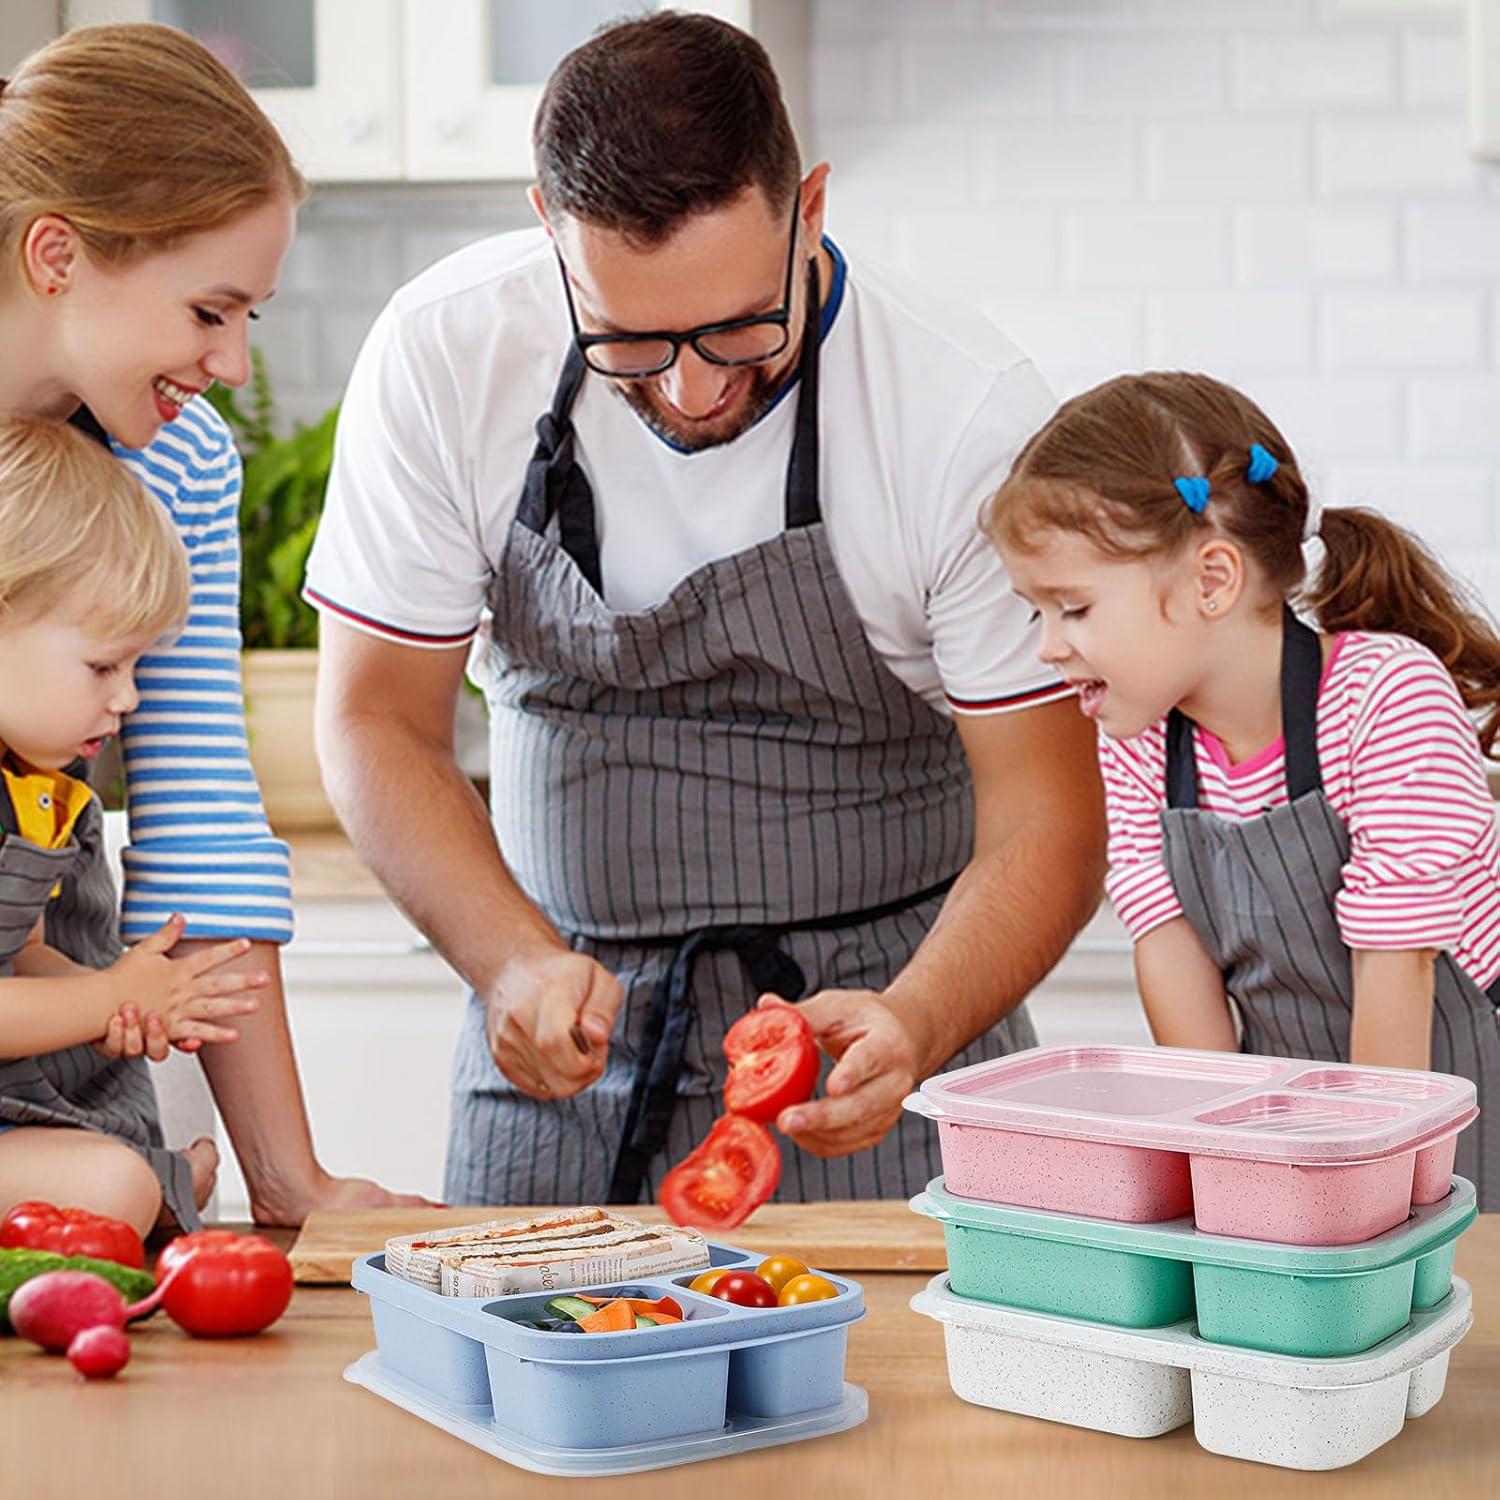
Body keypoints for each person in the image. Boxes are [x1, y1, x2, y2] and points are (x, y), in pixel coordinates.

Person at [307, 12, 1104, 1207]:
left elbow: (1050, 818)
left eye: (740, 330)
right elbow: (375, 719)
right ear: (548, 229)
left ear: (811, 210)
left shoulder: (959, 410)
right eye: (629, 342)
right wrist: (510, 963)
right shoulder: (445, 351)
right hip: (559, 1042)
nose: (689, 391)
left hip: (871, 1039)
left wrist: (918, 1019)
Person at [0, 23, 422, 1223]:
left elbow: (201, 815)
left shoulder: (176, 460)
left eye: (252, 319)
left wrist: (292, 1182)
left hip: (68, 1027)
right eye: (208, 310)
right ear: (56, 256)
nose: (232, 364)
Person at [987, 369, 1500, 1206]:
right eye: (1033, 611)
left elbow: (1398, 974)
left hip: (1450, 1106)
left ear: (1212, 580)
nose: (1047, 646)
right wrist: (1229, 1176)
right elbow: (1171, 956)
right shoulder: (1140, 743)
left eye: (1073, 608)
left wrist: (1365, 1196)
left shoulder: (1384, 698)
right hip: (1311, 1134)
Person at [0, 419, 273, 1233]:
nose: (129, 699)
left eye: (136, 666)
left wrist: (121, 1001)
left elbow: (23, 957)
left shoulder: (36, 787)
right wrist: (107, 997)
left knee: (117, 1175)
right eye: (103, 666)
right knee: (118, 1187)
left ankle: (149, 1188)